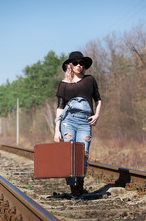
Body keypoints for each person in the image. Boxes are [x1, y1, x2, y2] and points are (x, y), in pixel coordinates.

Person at [54, 51, 102, 198]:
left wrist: (97, 114)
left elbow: (98, 99)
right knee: (69, 155)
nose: (79, 65)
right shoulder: (63, 85)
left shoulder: (90, 80)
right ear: (70, 65)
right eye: (75, 63)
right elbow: (60, 108)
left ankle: (80, 182)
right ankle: (73, 187)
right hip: (68, 121)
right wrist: (57, 130)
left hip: (84, 122)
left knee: (83, 154)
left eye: (81, 63)